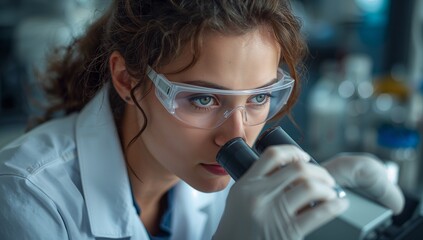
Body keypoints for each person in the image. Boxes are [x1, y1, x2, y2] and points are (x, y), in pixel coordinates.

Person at [0, 0, 405, 239]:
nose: (236, 136)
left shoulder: (221, 174)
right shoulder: (28, 201)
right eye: (203, 98)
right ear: (126, 79)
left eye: (259, 96)